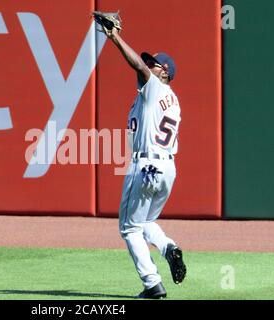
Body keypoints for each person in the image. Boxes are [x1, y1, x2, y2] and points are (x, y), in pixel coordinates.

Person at [106, 27, 187, 299]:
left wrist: (114, 37)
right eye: (150, 62)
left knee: (129, 228)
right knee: (147, 220)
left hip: (146, 165)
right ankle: (169, 248)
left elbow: (138, 66)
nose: (149, 66)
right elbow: (140, 69)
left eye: (155, 64)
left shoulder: (155, 88)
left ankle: (152, 283)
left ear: (165, 72)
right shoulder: (170, 100)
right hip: (167, 168)